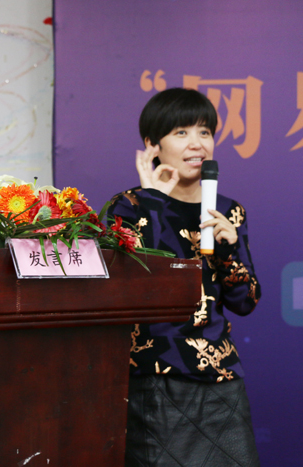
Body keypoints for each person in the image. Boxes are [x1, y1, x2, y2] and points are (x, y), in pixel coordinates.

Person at [108, 88, 261, 467]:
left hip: (219, 376)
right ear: (152, 145)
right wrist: (155, 202)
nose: (197, 144)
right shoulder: (128, 206)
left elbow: (245, 302)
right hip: (154, 374)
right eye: (181, 132)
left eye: (204, 132)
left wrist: (227, 249)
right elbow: (139, 285)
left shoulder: (228, 211)